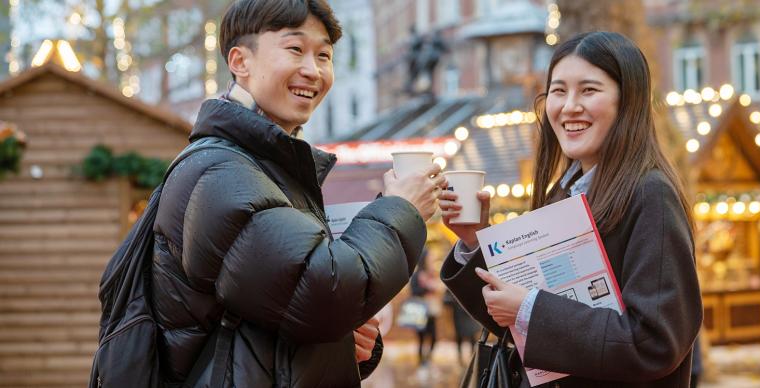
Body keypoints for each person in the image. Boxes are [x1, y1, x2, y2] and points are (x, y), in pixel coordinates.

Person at [150, 0, 446, 386]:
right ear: (240, 62)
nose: (313, 70)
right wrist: (402, 208)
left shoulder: (265, 166)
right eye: (295, 49)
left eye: (324, 55)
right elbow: (324, 293)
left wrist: (345, 343)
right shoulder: (223, 173)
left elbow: (286, 312)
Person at [438, 31, 703, 387]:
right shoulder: (562, 193)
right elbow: (517, 323)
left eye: (589, 90)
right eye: (559, 91)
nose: (569, 106)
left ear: (629, 101)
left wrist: (531, 308)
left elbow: (654, 343)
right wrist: (473, 243)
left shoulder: (650, 195)